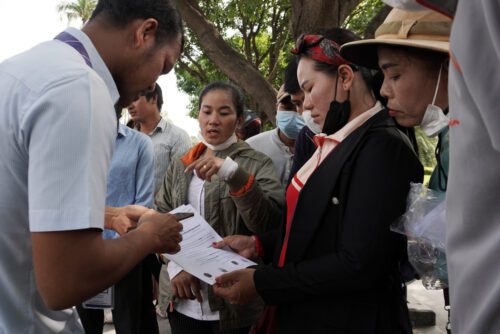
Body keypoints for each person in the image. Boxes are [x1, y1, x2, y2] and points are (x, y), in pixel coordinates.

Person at [213, 30, 423, 333]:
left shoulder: (381, 147)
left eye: (310, 90)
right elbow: (317, 228)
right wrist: (259, 244)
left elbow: (358, 264)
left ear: (345, 76)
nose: (306, 106)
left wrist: (262, 282)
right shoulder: (334, 141)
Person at [0, 0, 184, 332]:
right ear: (145, 32)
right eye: (165, 65)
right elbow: (66, 280)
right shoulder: (80, 89)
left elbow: (19, 199)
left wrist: (109, 215)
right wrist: (151, 236)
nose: (154, 83)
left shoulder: (18, 70)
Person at [341, 8, 452, 331]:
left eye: (395, 75)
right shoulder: (448, 134)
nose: (385, 90)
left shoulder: (480, 140)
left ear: (445, 66)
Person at [155, 81, 284, 333]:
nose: (213, 120)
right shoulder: (182, 165)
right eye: (207, 111)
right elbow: (159, 219)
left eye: (224, 113)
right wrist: (177, 266)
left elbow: (269, 224)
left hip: (235, 305)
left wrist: (232, 173)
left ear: (238, 121)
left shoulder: (257, 164)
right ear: (198, 116)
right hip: (182, 301)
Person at [76, 123, 158, 334]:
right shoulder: (72, 141)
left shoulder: (139, 143)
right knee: (85, 325)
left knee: (130, 324)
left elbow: (143, 205)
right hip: (83, 251)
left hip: (126, 252)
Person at [127, 83, 192, 194]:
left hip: (157, 210)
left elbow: (180, 186)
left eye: (135, 99)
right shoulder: (125, 138)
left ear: (153, 98)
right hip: (120, 209)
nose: (129, 106)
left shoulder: (177, 137)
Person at [246, 85, 305, 187]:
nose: (295, 112)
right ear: (277, 108)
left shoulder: (321, 149)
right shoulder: (252, 148)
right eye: (288, 107)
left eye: (300, 105)